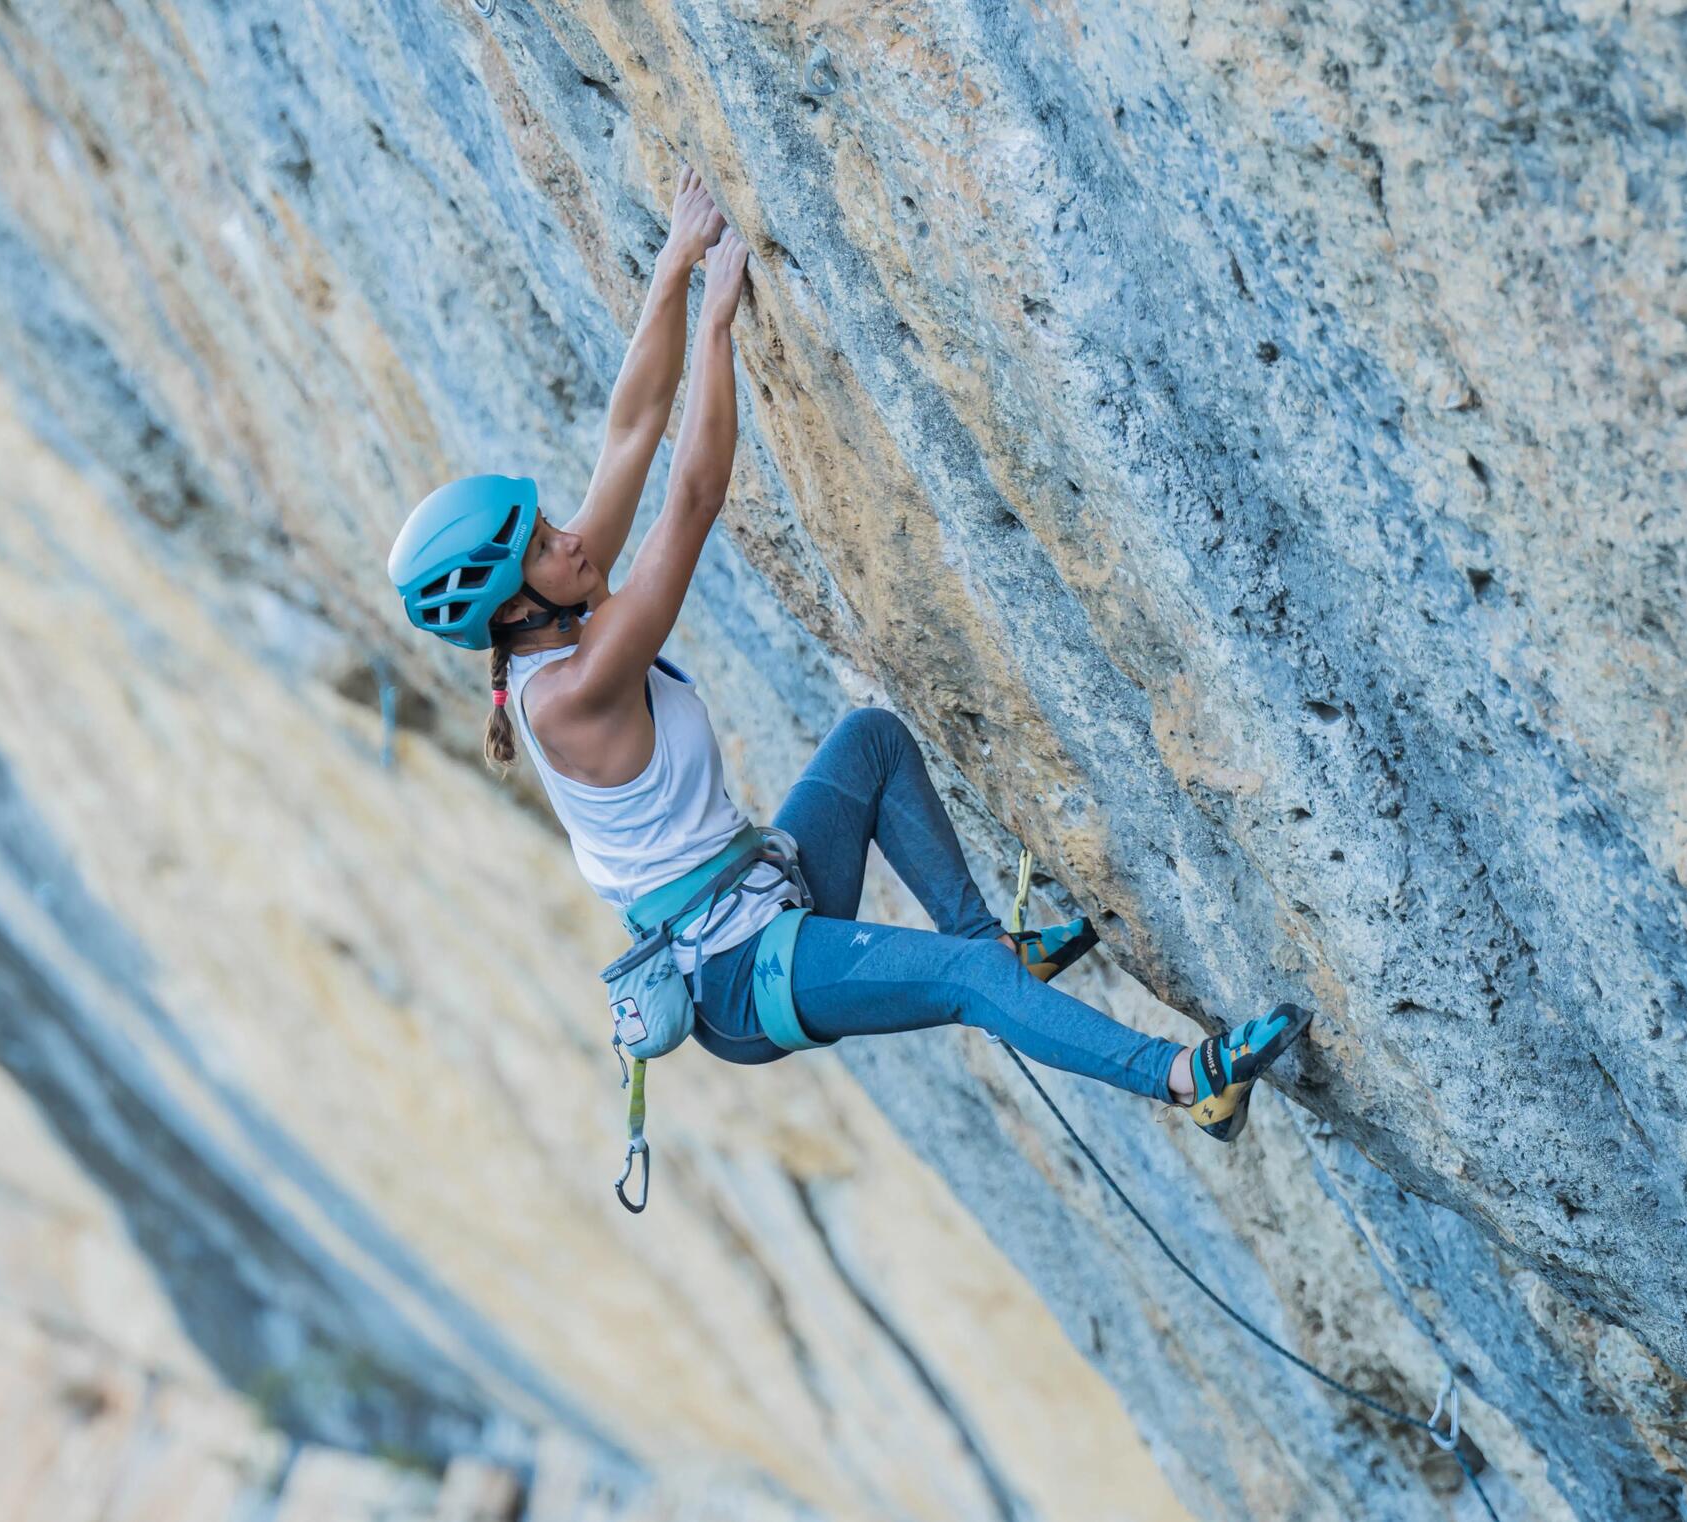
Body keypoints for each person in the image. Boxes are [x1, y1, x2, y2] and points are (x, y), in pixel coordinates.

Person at [388, 166, 1310, 1143]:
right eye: (538, 548)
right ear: (511, 609)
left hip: (764, 893)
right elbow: (692, 498)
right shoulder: (574, 687)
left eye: (545, 529)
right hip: (740, 979)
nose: (568, 539)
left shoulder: (562, 609)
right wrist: (714, 329)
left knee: (870, 742)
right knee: (967, 987)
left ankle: (993, 949)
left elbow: (630, 432)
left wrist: (672, 268)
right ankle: (1187, 1079)